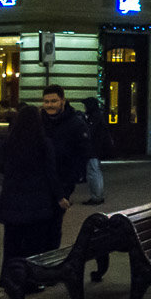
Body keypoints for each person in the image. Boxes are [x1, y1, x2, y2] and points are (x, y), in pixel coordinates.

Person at [0, 104, 67, 287]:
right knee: (32, 247)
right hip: (36, 202)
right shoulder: (43, 143)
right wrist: (60, 197)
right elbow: (51, 173)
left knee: (11, 245)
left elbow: (0, 166)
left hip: (11, 201)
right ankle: (28, 281)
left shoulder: (9, 142)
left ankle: (7, 279)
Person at [41, 84, 89, 244]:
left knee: (54, 226)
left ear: (63, 101)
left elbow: (82, 155)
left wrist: (69, 185)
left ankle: (51, 262)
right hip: (40, 183)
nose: (49, 105)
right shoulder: (39, 121)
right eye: (46, 101)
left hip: (62, 182)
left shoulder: (75, 123)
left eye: (54, 101)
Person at [81, 97, 107, 205]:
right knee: (95, 172)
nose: (85, 108)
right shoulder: (97, 115)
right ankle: (98, 196)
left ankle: (96, 197)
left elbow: (89, 132)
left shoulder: (94, 117)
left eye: (86, 105)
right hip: (96, 148)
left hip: (93, 149)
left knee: (93, 172)